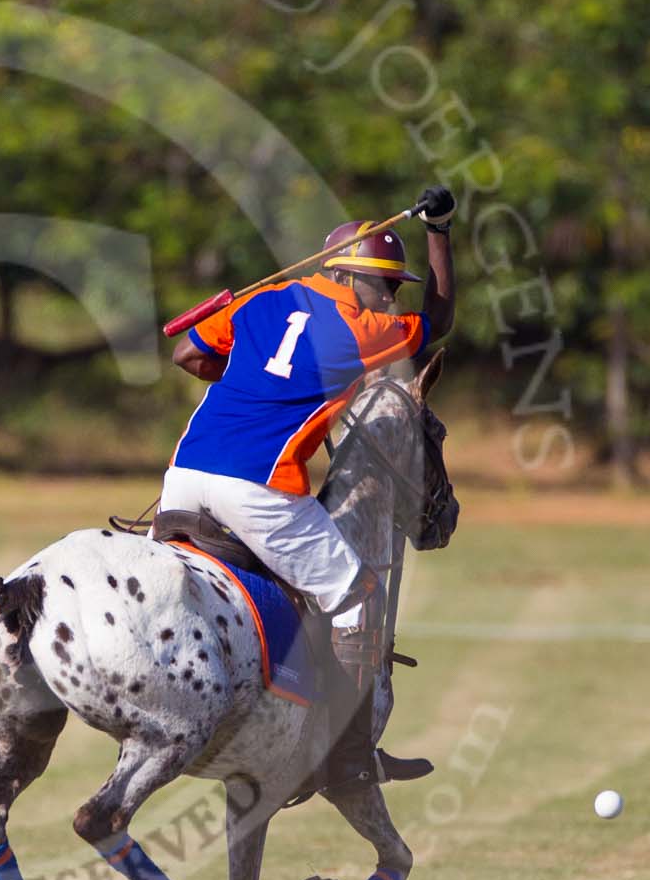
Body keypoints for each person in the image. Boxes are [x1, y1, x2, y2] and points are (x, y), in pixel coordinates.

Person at [167, 185, 457, 792]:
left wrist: (249, 369)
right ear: (357, 282)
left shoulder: (260, 301)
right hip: (258, 488)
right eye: (388, 286)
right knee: (356, 598)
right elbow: (440, 319)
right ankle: (347, 756)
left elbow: (186, 355)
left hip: (184, 477)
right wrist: (441, 232)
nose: (391, 297)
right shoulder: (366, 328)